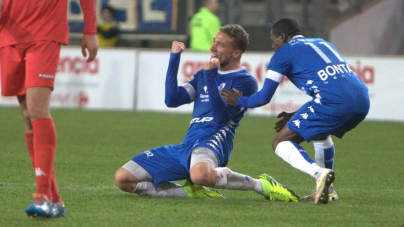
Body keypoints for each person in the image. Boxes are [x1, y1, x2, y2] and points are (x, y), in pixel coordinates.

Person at [115, 24, 299, 202]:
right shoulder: (203, 75)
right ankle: (190, 193)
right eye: (214, 41)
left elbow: (221, 116)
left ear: (236, 53)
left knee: (200, 174)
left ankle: (260, 184)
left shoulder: (245, 81)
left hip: (213, 143)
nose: (212, 47)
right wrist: (174, 59)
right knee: (123, 178)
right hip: (187, 146)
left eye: (220, 44)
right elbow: (172, 100)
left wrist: (210, 77)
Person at [221, 18, 370, 204]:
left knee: (280, 142)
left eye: (273, 40)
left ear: (282, 37)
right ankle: (328, 192)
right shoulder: (323, 43)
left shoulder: (283, 53)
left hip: (333, 101)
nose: (273, 46)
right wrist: (296, 115)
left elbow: (264, 97)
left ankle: (320, 174)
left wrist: (238, 101)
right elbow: (334, 84)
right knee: (320, 133)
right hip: (362, 99)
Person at [0, 0, 98, 218]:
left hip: (44, 31)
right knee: (27, 113)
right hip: (9, 33)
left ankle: (42, 195)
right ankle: (55, 199)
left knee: (36, 108)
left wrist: (90, 30)